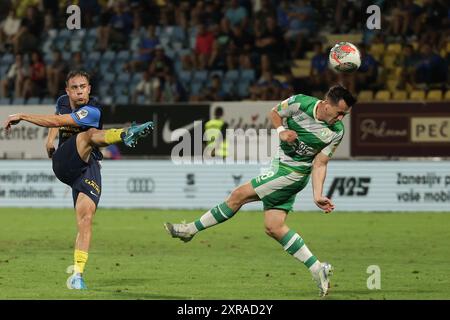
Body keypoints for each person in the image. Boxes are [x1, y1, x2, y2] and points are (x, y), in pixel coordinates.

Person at [165, 85, 357, 297]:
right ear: (326, 104)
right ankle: (317, 268)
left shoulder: (336, 132)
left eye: (345, 115)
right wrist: (282, 131)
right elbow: (274, 113)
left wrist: (317, 195)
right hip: (279, 165)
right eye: (339, 113)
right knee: (274, 227)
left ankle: (190, 230)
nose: (341, 119)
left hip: (292, 173)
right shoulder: (300, 103)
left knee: (238, 196)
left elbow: (320, 163)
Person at [3, 70, 154, 290]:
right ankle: (125, 133)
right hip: (64, 161)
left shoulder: (92, 110)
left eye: (83, 86)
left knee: (85, 219)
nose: (79, 91)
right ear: (67, 91)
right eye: (74, 87)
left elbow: (58, 119)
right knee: (87, 135)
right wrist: (50, 140)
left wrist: (23, 116)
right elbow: (57, 119)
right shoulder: (63, 102)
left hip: (88, 167)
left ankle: (77, 275)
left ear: (89, 89)